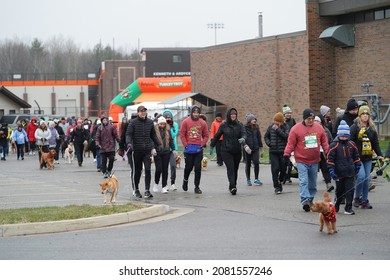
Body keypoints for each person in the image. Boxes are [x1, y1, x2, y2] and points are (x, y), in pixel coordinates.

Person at [284, 108, 329, 212]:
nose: (311, 121)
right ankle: (305, 200)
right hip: (301, 160)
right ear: (304, 119)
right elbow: (290, 143)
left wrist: (328, 152)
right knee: (304, 181)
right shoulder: (296, 129)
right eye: (308, 119)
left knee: (312, 183)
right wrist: (286, 154)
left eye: (312, 118)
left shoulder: (319, 128)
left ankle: (310, 199)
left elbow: (324, 142)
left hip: (314, 160)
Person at [350, 106, 383, 209]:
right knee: (361, 176)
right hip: (357, 157)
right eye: (363, 114)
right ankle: (356, 198)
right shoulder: (355, 127)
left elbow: (375, 144)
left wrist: (380, 156)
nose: (365, 116)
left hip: (368, 157)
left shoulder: (372, 129)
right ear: (360, 115)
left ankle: (364, 200)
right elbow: (350, 142)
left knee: (366, 179)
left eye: (367, 114)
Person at [327, 120, 361, 215]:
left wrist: (357, 165)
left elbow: (356, 156)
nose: (344, 137)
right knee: (339, 191)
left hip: (350, 172)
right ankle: (337, 205)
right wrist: (331, 170)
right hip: (339, 173)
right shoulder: (334, 145)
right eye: (342, 136)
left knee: (350, 190)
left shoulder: (352, 144)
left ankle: (348, 208)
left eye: (346, 136)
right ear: (338, 135)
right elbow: (330, 159)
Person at [126, 105, 160, 199]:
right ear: (138, 113)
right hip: (136, 151)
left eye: (144, 111)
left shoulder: (150, 122)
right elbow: (128, 134)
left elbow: (153, 135)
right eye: (141, 111)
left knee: (148, 170)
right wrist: (129, 143)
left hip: (147, 150)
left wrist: (158, 145)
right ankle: (136, 189)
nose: (143, 113)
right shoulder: (133, 123)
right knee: (137, 171)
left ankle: (147, 190)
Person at [210, 108, 246, 195]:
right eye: (232, 114)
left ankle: (232, 185)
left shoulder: (240, 124)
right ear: (229, 115)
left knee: (235, 169)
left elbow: (244, 133)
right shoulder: (223, 125)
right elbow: (217, 135)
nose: (233, 116)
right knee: (230, 168)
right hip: (226, 150)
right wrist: (212, 146)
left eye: (235, 114)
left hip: (237, 150)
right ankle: (233, 186)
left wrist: (243, 138)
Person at [179, 105, 209, 194]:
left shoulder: (202, 123)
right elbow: (182, 134)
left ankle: (197, 186)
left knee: (198, 168)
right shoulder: (186, 122)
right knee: (188, 167)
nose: (196, 114)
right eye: (194, 112)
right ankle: (185, 180)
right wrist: (186, 145)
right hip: (189, 148)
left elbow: (206, 136)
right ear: (191, 112)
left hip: (198, 149)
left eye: (197, 113)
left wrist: (202, 144)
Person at [264, 112, 290, 194]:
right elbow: (266, 136)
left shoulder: (286, 127)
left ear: (281, 122)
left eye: (277, 121)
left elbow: (286, 136)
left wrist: (278, 129)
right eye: (274, 121)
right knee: (275, 169)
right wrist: (269, 143)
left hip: (283, 151)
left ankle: (281, 179)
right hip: (273, 151)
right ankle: (277, 187)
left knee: (283, 168)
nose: (275, 123)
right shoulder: (270, 127)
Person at [152, 116, 177, 194]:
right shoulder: (154, 130)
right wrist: (153, 148)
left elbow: (171, 140)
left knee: (165, 169)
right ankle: (156, 183)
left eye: (164, 124)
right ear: (158, 124)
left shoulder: (168, 130)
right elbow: (152, 140)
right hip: (158, 152)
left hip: (166, 152)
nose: (162, 125)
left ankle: (164, 186)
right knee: (159, 169)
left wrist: (173, 150)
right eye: (161, 124)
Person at [314, 115, 334, 192]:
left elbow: (331, 140)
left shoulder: (326, 130)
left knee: (325, 168)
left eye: (317, 121)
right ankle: (311, 185)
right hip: (313, 153)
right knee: (313, 169)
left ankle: (328, 183)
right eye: (314, 121)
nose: (316, 123)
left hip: (323, 152)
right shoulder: (309, 131)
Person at [243, 113, 263, 186]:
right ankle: (248, 179)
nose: (254, 120)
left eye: (255, 119)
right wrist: (245, 146)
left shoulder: (256, 127)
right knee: (248, 164)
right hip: (248, 148)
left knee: (256, 162)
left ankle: (256, 179)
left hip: (255, 148)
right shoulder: (244, 128)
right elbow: (243, 137)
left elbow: (259, 137)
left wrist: (261, 147)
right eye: (253, 119)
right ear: (249, 120)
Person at [162, 109, 180, 191]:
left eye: (169, 117)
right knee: (164, 167)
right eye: (166, 117)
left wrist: (170, 125)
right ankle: (165, 184)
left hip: (172, 149)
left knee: (173, 166)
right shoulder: (161, 125)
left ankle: (173, 182)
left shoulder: (175, 125)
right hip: (164, 149)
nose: (167, 119)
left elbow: (173, 135)